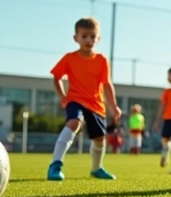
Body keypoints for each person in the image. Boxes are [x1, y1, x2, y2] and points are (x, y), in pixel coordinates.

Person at [46, 17, 121, 181]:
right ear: (76, 38)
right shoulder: (69, 58)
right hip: (75, 100)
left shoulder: (102, 60)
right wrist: (62, 97)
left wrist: (113, 106)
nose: (89, 40)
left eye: (92, 36)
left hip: (96, 105)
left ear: (98, 38)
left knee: (99, 139)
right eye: (84, 36)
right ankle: (55, 165)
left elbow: (107, 84)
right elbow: (56, 77)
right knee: (74, 122)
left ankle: (96, 169)